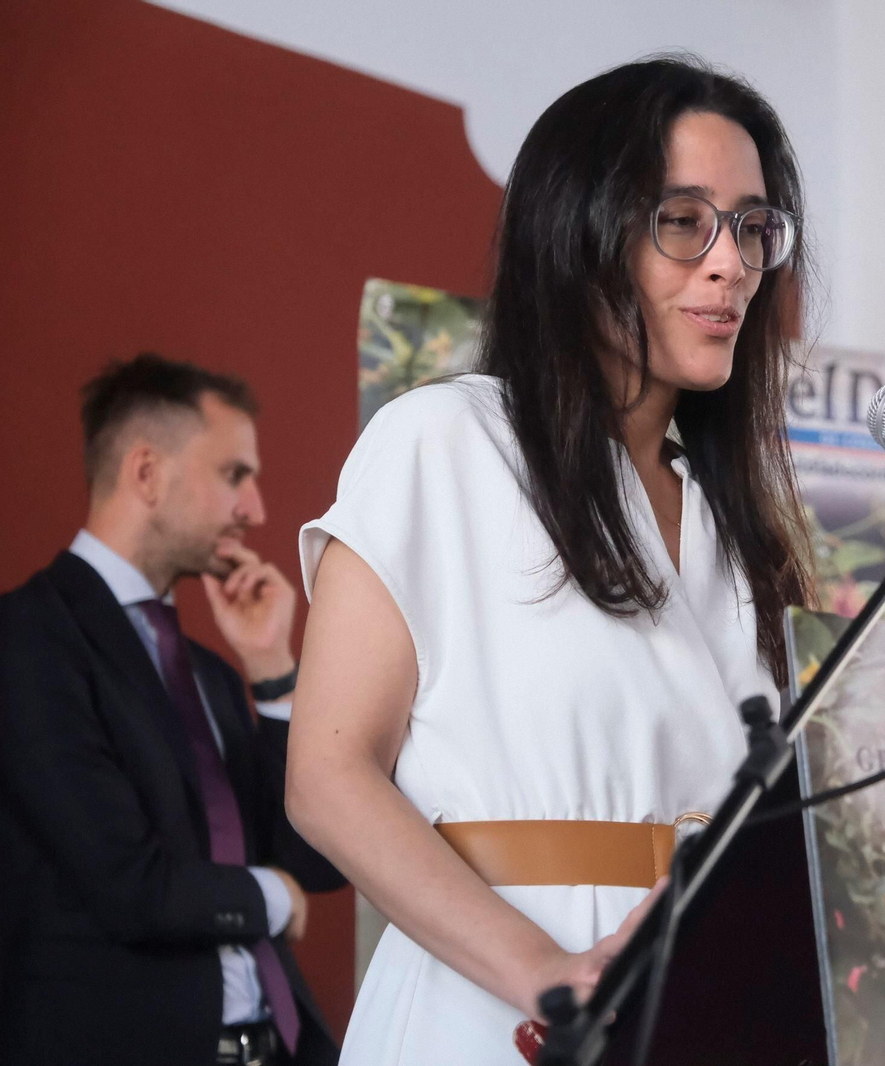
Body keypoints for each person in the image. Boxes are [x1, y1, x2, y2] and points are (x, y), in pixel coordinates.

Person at [285, 55, 815, 1064]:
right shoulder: (446, 441)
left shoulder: (729, 524)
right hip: (482, 1020)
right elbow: (325, 775)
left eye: (753, 226)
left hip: (692, 1021)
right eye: (682, 220)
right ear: (578, 231)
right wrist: (552, 977)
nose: (731, 263)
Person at [0, 353, 346, 1065]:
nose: (257, 510)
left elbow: (314, 858)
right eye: (234, 475)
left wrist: (273, 673)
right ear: (147, 473)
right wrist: (270, 900)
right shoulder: (25, 641)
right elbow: (131, 888)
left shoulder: (215, 677)